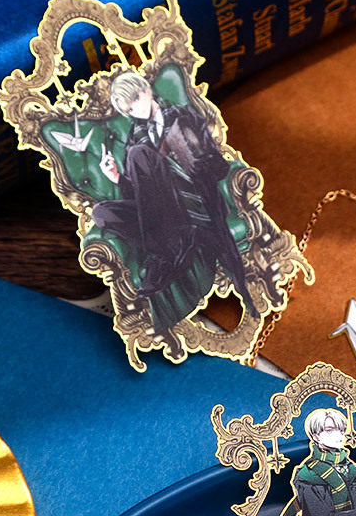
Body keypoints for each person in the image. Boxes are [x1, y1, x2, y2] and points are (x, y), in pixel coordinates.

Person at [92, 70, 259, 336]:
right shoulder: (135, 136)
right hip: (162, 213)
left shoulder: (182, 116)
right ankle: (169, 245)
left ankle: (163, 253)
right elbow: (139, 194)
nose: (136, 111)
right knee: (102, 212)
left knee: (139, 155)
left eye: (135, 100)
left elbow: (217, 166)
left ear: (147, 91)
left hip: (193, 201)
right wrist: (116, 177)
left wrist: (188, 156)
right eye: (129, 109)